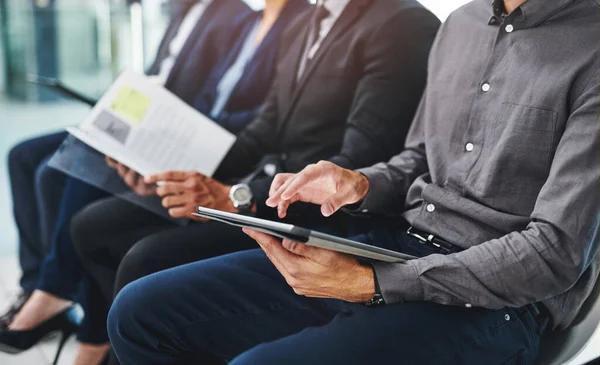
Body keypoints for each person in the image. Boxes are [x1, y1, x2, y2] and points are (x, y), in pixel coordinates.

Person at [107, 0, 600, 363]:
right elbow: (420, 158)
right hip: (393, 245)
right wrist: (357, 183)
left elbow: (554, 252)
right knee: (138, 313)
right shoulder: (461, 26)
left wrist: (374, 284)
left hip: (496, 302)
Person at [72, 0, 440, 343]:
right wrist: (166, 166)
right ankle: (133, 346)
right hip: (261, 193)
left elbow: (357, 164)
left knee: (147, 258)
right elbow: (262, 133)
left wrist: (235, 197)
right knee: (95, 226)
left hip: (318, 218)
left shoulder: (402, 24)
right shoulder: (307, 22)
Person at [0, 0, 254, 364]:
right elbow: (159, 78)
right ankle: (39, 286)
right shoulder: (181, 13)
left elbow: (210, 102)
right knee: (28, 158)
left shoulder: (233, 15)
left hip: (181, 134)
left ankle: (58, 294)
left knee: (72, 171)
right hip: (151, 119)